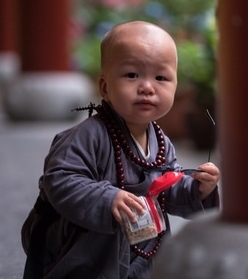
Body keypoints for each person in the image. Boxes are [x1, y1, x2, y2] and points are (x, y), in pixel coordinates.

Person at [21, 20, 220, 279]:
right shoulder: (86, 137)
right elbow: (60, 180)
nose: (147, 87)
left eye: (161, 77)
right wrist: (107, 198)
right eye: (131, 75)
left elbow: (166, 187)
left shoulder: (161, 141)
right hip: (90, 247)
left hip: (144, 243)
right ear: (104, 87)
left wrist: (198, 189)